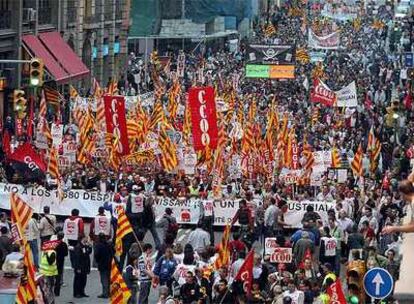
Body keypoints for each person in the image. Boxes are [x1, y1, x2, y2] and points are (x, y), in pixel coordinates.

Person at [94, 233, 113, 299]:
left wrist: (98, 261)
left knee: (104, 279)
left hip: (102, 264)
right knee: (108, 279)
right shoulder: (108, 244)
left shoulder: (98, 245)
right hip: (109, 264)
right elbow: (112, 252)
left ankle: (105, 293)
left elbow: (96, 255)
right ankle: (108, 292)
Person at [54, 231, 68, 297]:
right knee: (58, 277)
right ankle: (57, 292)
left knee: (51, 276)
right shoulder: (64, 244)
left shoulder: (53, 244)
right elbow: (66, 254)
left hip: (53, 261)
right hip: (61, 261)